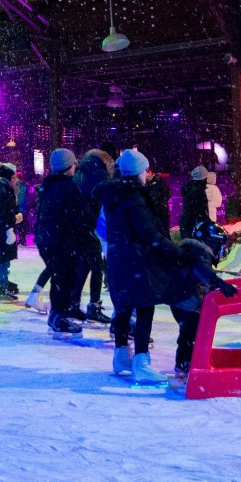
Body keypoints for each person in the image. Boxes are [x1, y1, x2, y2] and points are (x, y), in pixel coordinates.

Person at [97, 148, 182, 385]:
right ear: (138, 172)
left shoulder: (113, 195)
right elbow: (148, 233)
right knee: (145, 308)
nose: (146, 174)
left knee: (124, 307)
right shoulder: (134, 197)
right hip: (137, 261)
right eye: (144, 170)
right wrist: (176, 251)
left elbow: (105, 228)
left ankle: (121, 355)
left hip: (118, 259)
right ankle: (141, 362)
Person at [166, 220, 238, 387]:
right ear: (210, 241)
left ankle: (184, 364)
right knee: (192, 333)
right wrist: (218, 283)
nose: (220, 249)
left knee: (189, 333)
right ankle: (186, 366)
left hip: (181, 299)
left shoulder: (194, 251)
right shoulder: (199, 253)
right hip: (186, 301)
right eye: (219, 244)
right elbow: (201, 270)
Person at [33, 149, 92, 338]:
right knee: (66, 277)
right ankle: (60, 316)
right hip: (60, 240)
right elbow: (78, 215)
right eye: (73, 163)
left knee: (59, 277)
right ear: (68, 166)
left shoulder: (49, 185)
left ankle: (57, 315)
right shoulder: (67, 187)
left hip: (47, 238)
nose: (75, 166)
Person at [74, 148, 115, 324]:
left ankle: (74, 303)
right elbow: (107, 200)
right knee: (97, 266)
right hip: (89, 225)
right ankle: (94, 306)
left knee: (84, 265)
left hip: (79, 224)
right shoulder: (100, 174)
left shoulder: (81, 173)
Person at [0, 162, 22, 302]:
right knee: (3, 260)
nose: (16, 179)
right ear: (10, 177)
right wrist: (13, 221)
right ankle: (2, 289)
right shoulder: (3, 190)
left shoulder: (1, 187)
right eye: (14, 177)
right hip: (2, 229)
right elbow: (1, 212)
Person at [180, 166, 211, 238]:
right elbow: (201, 210)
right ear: (202, 179)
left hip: (187, 223)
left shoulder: (191, 188)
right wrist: (207, 222)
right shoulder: (198, 191)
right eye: (206, 178)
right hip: (192, 224)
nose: (207, 180)